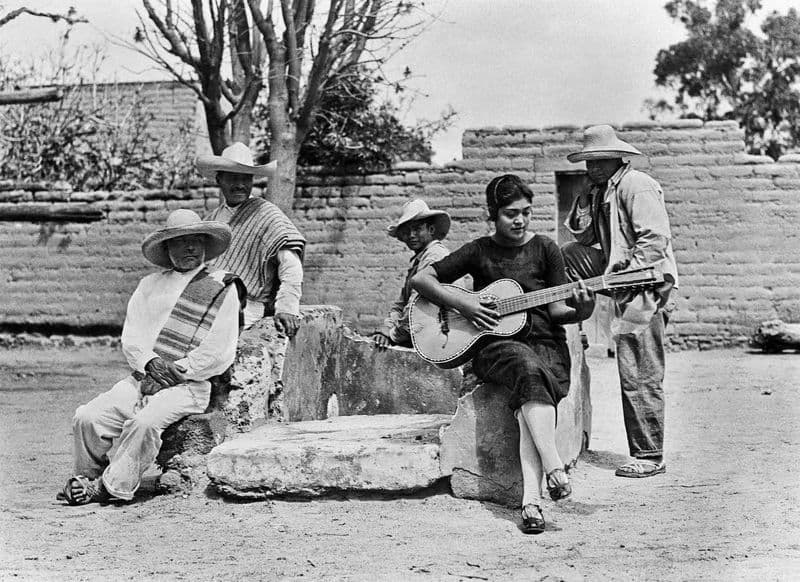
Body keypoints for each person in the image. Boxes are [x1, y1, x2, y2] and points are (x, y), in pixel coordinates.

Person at [411, 174, 594, 534]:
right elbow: (423, 280)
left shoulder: (545, 248)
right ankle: (554, 467)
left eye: (526, 212)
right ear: (492, 214)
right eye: (511, 213)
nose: (520, 220)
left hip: (546, 344)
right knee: (526, 368)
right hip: (494, 346)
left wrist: (582, 313)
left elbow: (557, 311)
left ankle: (531, 504)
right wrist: (464, 302)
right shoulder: (479, 250)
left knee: (533, 384)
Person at [58, 209, 243, 505]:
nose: (190, 248)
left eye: (196, 240)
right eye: (181, 242)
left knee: (144, 423)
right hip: (144, 377)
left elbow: (219, 351)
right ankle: (89, 476)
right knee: (87, 417)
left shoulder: (222, 287)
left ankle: (110, 487)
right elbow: (132, 338)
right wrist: (149, 364)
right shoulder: (149, 285)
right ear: (167, 249)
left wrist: (175, 371)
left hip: (189, 385)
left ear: (205, 244)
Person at [561, 124, 678, 479]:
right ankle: (564, 317)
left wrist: (627, 275)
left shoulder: (635, 185)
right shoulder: (601, 192)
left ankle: (649, 454)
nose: (593, 168)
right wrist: (584, 199)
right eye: (588, 162)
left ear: (618, 157)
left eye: (600, 161)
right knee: (566, 254)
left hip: (644, 284)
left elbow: (654, 239)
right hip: (621, 279)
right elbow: (582, 236)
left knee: (638, 369)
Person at [197, 142, 306, 335]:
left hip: (247, 308)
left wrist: (287, 308)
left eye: (246, 178)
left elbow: (291, 266)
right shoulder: (210, 221)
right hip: (206, 304)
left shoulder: (267, 214)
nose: (240, 185)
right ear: (219, 179)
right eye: (232, 177)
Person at [372, 199, 451, 349]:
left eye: (417, 229)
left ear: (431, 230)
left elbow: (416, 308)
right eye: (406, 231)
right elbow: (400, 305)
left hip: (441, 337)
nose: (411, 235)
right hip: (421, 332)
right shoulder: (420, 260)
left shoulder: (435, 256)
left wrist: (392, 334)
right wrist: (386, 329)